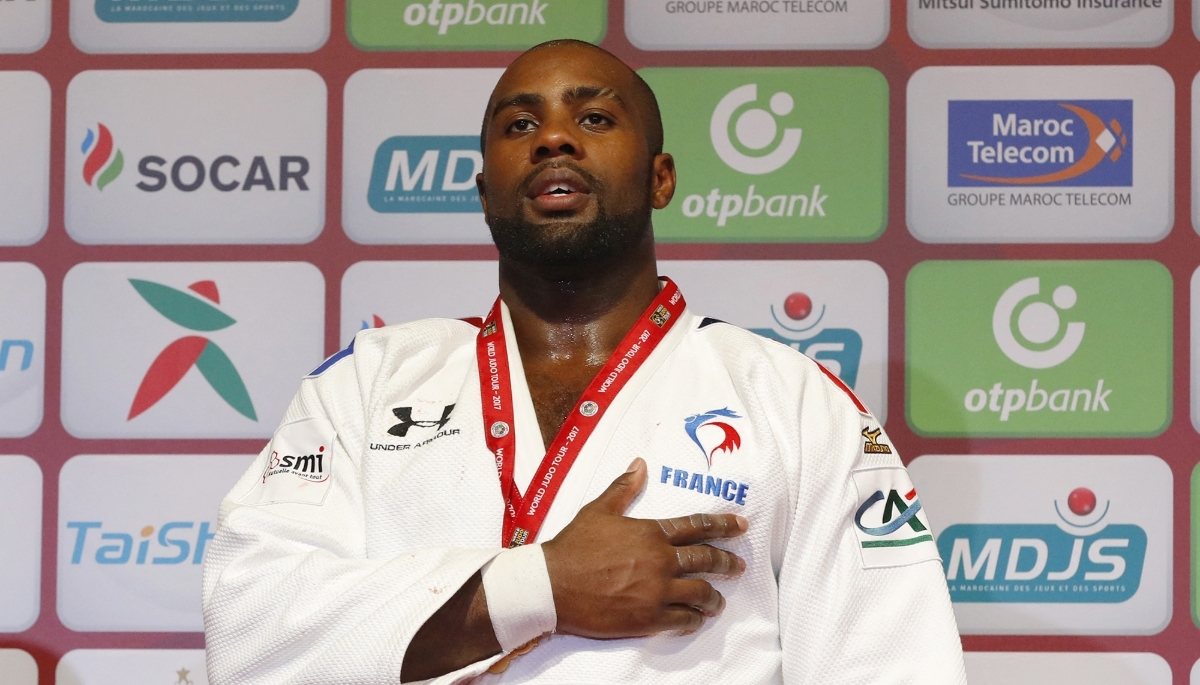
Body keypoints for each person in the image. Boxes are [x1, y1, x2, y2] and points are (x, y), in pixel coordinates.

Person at [202, 40, 966, 684]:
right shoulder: (367, 382)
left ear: (661, 176)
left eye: (593, 118)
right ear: (482, 188)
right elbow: (252, 626)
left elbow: (892, 661)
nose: (553, 139)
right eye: (520, 124)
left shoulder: (793, 399)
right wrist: (541, 588)